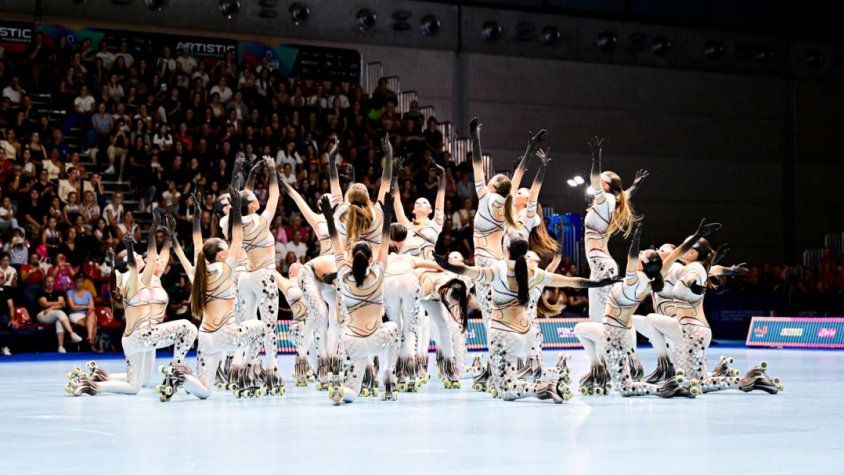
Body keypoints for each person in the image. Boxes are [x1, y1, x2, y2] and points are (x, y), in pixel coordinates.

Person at [435, 239, 617, 403]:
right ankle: (553, 372)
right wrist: (598, 283)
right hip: (526, 334)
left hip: (504, 332)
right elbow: (569, 281)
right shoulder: (533, 272)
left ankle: (547, 386)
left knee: (505, 389)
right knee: (508, 378)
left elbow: (470, 271)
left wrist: (445, 265)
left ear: (506, 250)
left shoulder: (499, 269)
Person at [574, 224, 702, 398]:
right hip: (620, 333)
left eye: (642, 255)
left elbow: (631, 258)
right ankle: (598, 367)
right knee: (580, 329)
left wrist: (636, 239)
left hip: (614, 336)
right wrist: (697, 236)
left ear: (641, 264)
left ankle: (664, 388)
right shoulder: (652, 279)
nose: (641, 252)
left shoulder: (634, 280)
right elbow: (676, 254)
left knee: (625, 388)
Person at [65, 232, 198, 396]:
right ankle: (177, 367)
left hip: (135, 338)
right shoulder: (135, 278)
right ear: (130, 263)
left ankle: (94, 382)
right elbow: (148, 259)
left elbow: (159, 260)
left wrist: (167, 237)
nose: (152, 260)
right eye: (136, 256)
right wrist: (147, 236)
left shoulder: (131, 278)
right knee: (188, 328)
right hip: (144, 334)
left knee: (139, 383)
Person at [164, 188, 267, 400]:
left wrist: (176, 237)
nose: (229, 249)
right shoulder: (226, 268)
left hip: (206, 337)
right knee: (260, 326)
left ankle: (177, 375)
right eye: (225, 247)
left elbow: (193, 244)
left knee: (204, 390)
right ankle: (247, 376)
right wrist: (237, 208)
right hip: (226, 336)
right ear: (221, 254)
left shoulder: (198, 271)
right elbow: (238, 237)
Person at [320, 194, 399, 404]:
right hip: (377, 339)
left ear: (350, 257)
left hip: (352, 342)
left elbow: (336, 242)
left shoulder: (343, 274)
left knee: (352, 387)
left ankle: (347, 389)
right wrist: (388, 214)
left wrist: (329, 217)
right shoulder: (378, 273)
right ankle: (389, 373)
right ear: (371, 259)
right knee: (394, 327)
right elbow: (384, 243)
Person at [583, 136, 648, 323]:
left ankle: (614, 347)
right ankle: (602, 351)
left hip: (601, 265)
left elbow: (594, 179)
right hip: (601, 264)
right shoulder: (611, 200)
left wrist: (596, 157)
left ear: (605, 186)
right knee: (596, 316)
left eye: (601, 181)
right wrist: (635, 185)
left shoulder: (606, 199)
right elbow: (624, 195)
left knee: (604, 317)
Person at [37, 275, 82, 353]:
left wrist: (51, 308)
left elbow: (63, 305)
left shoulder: (58, 292)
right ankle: (72, 333)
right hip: (42, 314)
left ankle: (60, 347)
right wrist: (58, 303)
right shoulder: (40, 292)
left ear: (54, 282)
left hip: (54, 314)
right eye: (48, 281)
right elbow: (45, 304)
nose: (50, 283)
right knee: (60, 312)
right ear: (44, 282)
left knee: (59, 320)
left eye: (51, 281)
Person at [66, 274, 99, 352]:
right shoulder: (70, 292)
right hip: (74, 314)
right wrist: (86, 306)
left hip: (87, 314)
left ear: (83, 282)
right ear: (74, 283)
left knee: (91, 315)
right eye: (77, 282)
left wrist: (87, 308)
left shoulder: (88, 293)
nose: (79, 283)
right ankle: (92, 344)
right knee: (93, 322)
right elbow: (72, 307)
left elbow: (92, 306)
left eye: (81, 282)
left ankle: (89, 337)